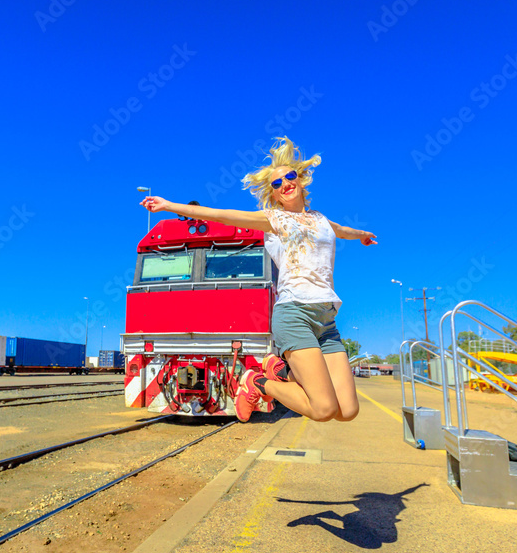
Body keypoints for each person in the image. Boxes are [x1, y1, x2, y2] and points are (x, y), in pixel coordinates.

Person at [139, 136, 377, 423]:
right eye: (277, 184)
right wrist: (170, 206)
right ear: (274, 194)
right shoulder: (274, 220)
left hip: (326, 319)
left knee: (347, 411)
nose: (285, 184)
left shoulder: (320, 219)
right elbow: (222, 216)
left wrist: (361, 235)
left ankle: (279, 371)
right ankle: (259, 383)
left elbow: (341, 230)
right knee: (323, 409)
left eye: (289, 177)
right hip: (295, 313)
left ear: (300, 180)